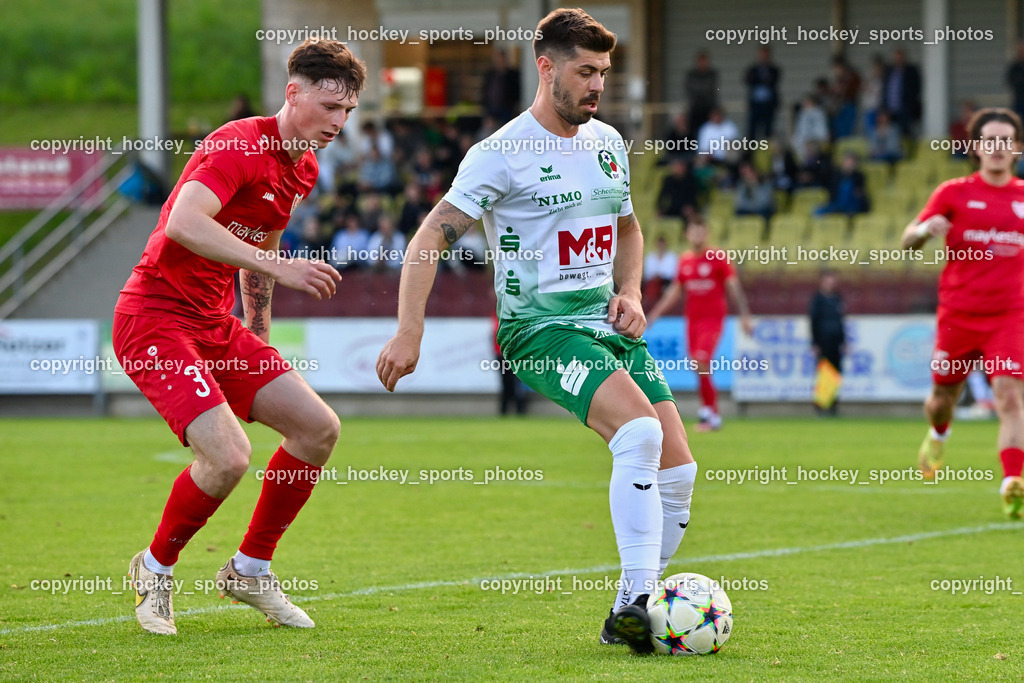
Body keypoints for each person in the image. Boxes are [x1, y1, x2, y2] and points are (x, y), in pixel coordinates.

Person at [375, 8, 697, 655]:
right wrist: (409, 331)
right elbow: (429, 237)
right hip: (539, 330)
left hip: (606, 326)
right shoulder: (499, 154)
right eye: (585, 71)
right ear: (545, 67)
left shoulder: (607, 143)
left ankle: (622, 615)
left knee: (680, 471)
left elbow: (628, 229)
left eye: (604, 72)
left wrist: (631, 290)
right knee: (638, 432)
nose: (597, 85)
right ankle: (640, 603)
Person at [113, 38, 364, 635]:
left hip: (214, 325)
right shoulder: (237, 143)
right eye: (330, 107)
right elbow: (184, 222)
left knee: (318, 428)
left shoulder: (303, 166)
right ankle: (154, 568)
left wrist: (257, 331)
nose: (339, 122)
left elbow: (261, 244)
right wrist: (279, 268)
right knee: (228, 457)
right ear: (293, 92)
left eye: (349, 111)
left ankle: (249, 570)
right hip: (153, 318)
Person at [900, 107, 1024, 518]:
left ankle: (1012, 481)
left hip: (1009, 316)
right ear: (976, 147)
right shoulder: (952, 192)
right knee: (941, 399)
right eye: (990, 140)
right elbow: (906, 242)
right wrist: (923, 231)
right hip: (959, 315)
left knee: (1009, 395)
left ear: (1017, 148)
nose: (998, 148)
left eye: (1006, 140)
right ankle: (939, 433)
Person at [646, 216, 754, 432]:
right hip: (692, 321)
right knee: (697, 365)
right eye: (693, 231)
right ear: (687, 234)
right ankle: (708, 411)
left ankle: (712, 414)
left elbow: (733, 286)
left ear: (706, 234)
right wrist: (654, 314)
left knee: (701, 359)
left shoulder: (719, 257)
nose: (696, 235)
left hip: (712, 320)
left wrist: (745, 314)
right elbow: (675, 292)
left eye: (700, 231)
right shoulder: (685, 261)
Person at [809, 269, 846, 416]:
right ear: (822, 282)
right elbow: (813, 322)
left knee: (835, 374)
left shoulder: (837, 298)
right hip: (823, 342)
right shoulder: (817, 300)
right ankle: (821, 406)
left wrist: (844, 341)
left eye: (833, 280)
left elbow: (841, 321)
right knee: (824, 374)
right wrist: (815, 343)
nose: (831, 283)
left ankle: (833, 405)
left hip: (836, 342)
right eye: (828, 280)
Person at [744, 46, 781, 140]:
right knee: (752, 130)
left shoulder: (773, 69)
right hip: (756, 104)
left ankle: (767, 151)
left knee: (768, 131)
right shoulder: (753, 69)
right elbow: (747, 80)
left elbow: (773, 80)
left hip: (769, 104)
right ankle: (751, 152)